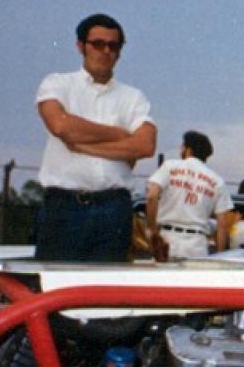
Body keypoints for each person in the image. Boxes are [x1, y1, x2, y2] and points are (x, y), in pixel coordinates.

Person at [35, 13, 156, 261]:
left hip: (114, 210)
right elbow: (60, 125)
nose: (106, 51)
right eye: (98, 44)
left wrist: (82, 146)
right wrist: (120, 134)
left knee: (106, 282)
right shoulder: (58, 84)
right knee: (56, 281)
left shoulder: (133, 98)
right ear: (81, 46)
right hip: (63, 208)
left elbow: (145, 145)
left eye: (113, 46)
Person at [146, 131, 236, 259]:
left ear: (188, 149)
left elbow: (151, 196)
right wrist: (219, 257)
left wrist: (152, 230)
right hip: (197, 245)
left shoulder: (170, 166)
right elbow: (223, 225)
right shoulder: (217, 181)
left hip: (167, 239)